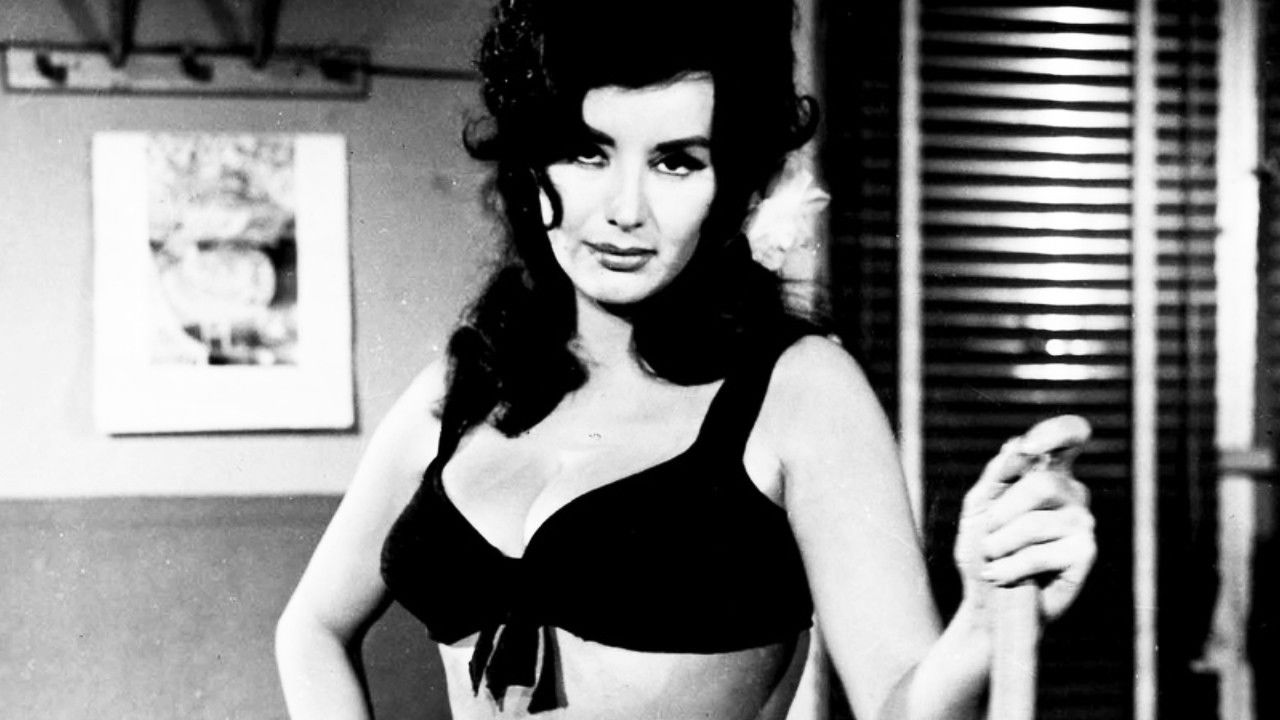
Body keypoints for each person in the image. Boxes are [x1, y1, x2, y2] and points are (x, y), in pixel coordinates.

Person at [274, 1, 1097, 718]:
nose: (624, 210)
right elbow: (310, 628)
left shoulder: (800, 389)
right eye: (587, 152)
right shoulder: (459, 393)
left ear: (732, 183)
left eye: (676, 162)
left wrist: (983, 622)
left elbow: (897, 705)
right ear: (531, 160)